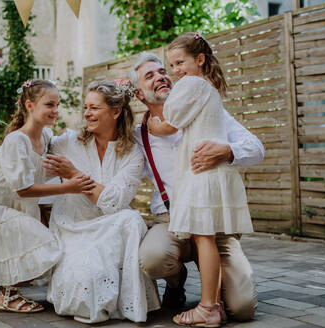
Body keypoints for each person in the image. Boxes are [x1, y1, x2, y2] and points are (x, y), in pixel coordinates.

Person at [129, 50, 263, 322]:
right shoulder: (138, 137)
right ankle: (176, 282)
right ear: (140, 94)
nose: (161, 76)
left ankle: (213, 290)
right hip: (171, 219)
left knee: (243, 309)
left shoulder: (208, 110)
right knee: (153, 259)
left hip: (214, 223)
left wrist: (226, 151)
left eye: (163, 71)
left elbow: (256, 148)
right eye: (150, 75)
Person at [0, 79, 96, 313]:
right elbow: (22, 189)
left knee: (16, 247)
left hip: (21, 204)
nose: (55, 110)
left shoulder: (45, 136)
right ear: (29, 105)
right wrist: (69, 187)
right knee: (41, 243)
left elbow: (44, 170)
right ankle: (8, 296)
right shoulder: (16, 140)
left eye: (57, 104)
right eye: (49, 105)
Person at [43, 80, 161, 324]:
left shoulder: (132, 153)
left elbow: (114, 203)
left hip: (111, 226)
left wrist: (75, 174)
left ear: (116, 111)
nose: (87, 113)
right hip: (73, 226)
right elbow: (35, 148)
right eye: (86, 107)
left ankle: (128, 302)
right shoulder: (67, 142)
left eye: (94, 108)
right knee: (82, 292)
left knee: (131, 218)